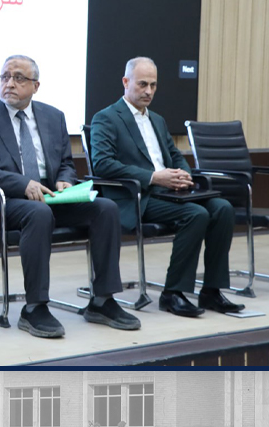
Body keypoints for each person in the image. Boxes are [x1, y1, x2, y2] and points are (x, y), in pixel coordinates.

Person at [0, 55, 140, 338]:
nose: (10, 83)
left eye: (19, 78)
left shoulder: (54, 117)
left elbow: (66, 162)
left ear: (36, 86)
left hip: (50, 195)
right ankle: (35, 307)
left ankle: (103, 300)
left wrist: (66, 180)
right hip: (3, 202)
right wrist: (22, 184)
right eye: (5, 77)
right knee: (39, 213)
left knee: (105, 208)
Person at [89, 56, 244, 317]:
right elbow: (103, 164)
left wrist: (184, 174)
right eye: (142, 84)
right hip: (138, 196)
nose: (149, 91)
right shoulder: (106, 118)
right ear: (126, 82)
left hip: (170, 192)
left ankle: (211, 290)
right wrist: (153, 177)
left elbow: (174, 155)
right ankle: (173, 293)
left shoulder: (158, 120)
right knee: (196, 214)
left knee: (223, 208)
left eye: (153, 85)